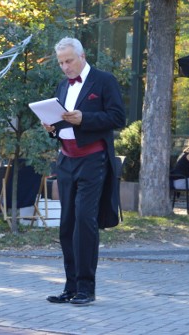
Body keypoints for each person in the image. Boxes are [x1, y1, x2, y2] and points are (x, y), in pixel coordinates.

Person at [43, 37, 125, 307]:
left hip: (93, 160)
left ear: (82, 56)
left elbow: (118, 118)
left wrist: (85, 118)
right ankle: (70, 286)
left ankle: (86, 289)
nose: (65, 67)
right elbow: (61, 121)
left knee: (84, 221)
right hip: (66, 161)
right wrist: (52, 127)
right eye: (61, 63)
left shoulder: (104, 81)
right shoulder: (62, 85)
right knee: (66, 224)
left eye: (69, 61)